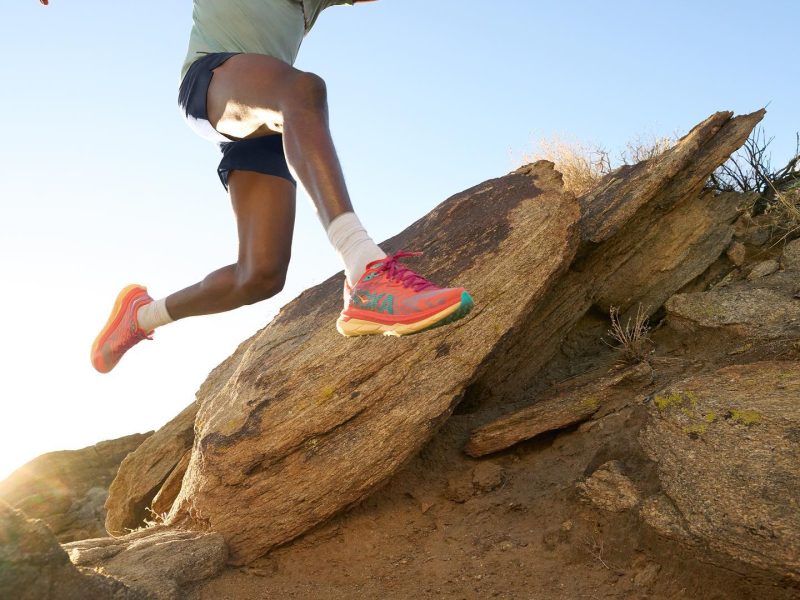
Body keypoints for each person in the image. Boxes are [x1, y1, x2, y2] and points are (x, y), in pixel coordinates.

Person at [39, 0, 473, 373]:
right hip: (213, 83)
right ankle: (366, 272)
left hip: (271, 120)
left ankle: (143, 315)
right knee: (304, 87)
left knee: (260, 275)